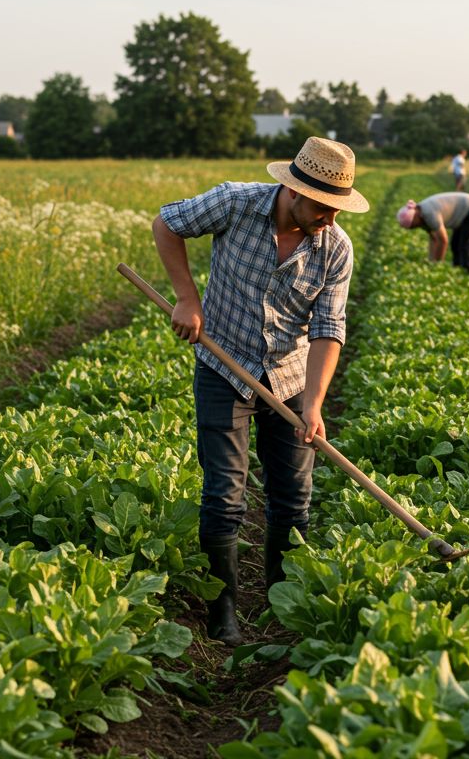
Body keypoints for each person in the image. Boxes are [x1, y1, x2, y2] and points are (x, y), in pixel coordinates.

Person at [152, 136, 369, 644]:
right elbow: (167, 224)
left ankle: (281, 602)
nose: (330, 220)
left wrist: (313, 404)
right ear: (294, 191)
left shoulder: (335, 248)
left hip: (291, 378)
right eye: (323, 207)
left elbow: (327, 329)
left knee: (293, 499)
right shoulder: (235, 203)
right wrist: (187, 298)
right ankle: (222, 612)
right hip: (223, 367)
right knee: (224, 495)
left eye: (338, 210)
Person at [396, 192, 469, 272]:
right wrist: (431, 261)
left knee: (465, 246)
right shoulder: (420, 215)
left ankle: (467, 274)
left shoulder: (429, 214)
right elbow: (434, 238)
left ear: (415, 219)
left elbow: (442, 241)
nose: (415, 228)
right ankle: (458, 271)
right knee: (455, 244)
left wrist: (437, 267)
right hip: (463, 213)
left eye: (413, 226)